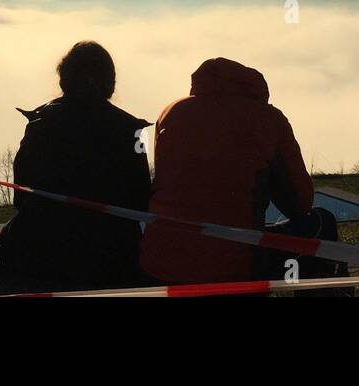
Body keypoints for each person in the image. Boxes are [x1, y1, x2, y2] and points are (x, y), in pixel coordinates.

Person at [140, 56, 345, 288]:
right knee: (321, 222)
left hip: (160, 264)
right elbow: (299, 204)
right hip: (234, 265)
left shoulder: (170, 113)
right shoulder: (268, 119)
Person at [0, 41, 151, 291]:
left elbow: (21, 196)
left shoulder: (41, 123)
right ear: (110, 83)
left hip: (38, 254)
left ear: (64, 80)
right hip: (109, 261)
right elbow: (139, 203)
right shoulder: (131, 130)